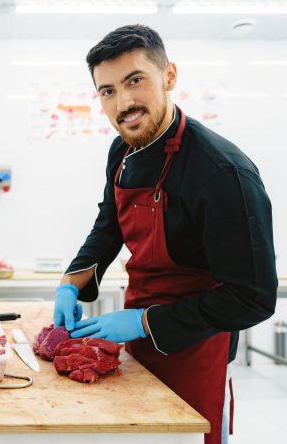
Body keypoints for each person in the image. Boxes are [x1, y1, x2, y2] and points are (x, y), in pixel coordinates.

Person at [53, 24, 277, 444]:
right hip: (139, 337)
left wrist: (143, 321)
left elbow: (254, 297)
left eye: (135, 81)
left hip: (198, 345)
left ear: (169, 76)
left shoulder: (223, 172)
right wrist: (73, 280)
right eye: (108, 91)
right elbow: (110, 222)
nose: (124, 103)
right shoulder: (122, 148)